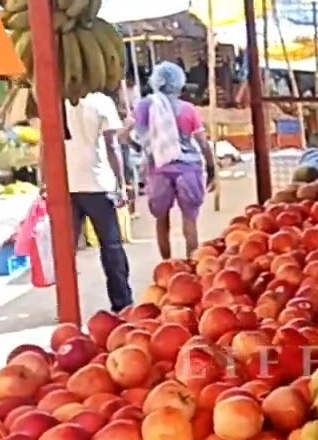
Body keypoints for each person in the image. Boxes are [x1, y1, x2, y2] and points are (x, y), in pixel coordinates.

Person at [128, 62, 216, 260]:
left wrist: (142, 147)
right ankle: (192, 266)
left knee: (161, 219)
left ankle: (167, 264)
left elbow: (124, 133)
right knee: (190, 221)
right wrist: (211, 169)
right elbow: (203, 143)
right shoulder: (188, 109)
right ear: (179, 83)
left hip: (158, 167)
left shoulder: (144, 106)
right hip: (189, 168)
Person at [65, 90, 133, 312]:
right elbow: (113, 146)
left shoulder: (56, 100)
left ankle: (66, 305)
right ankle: (122, 301)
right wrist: (121, 184)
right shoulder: (101, 102)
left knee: (66, 251)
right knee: (111, 247)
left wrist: (46, 182)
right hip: (98, 184)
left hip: (66, 184)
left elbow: (46, 144)